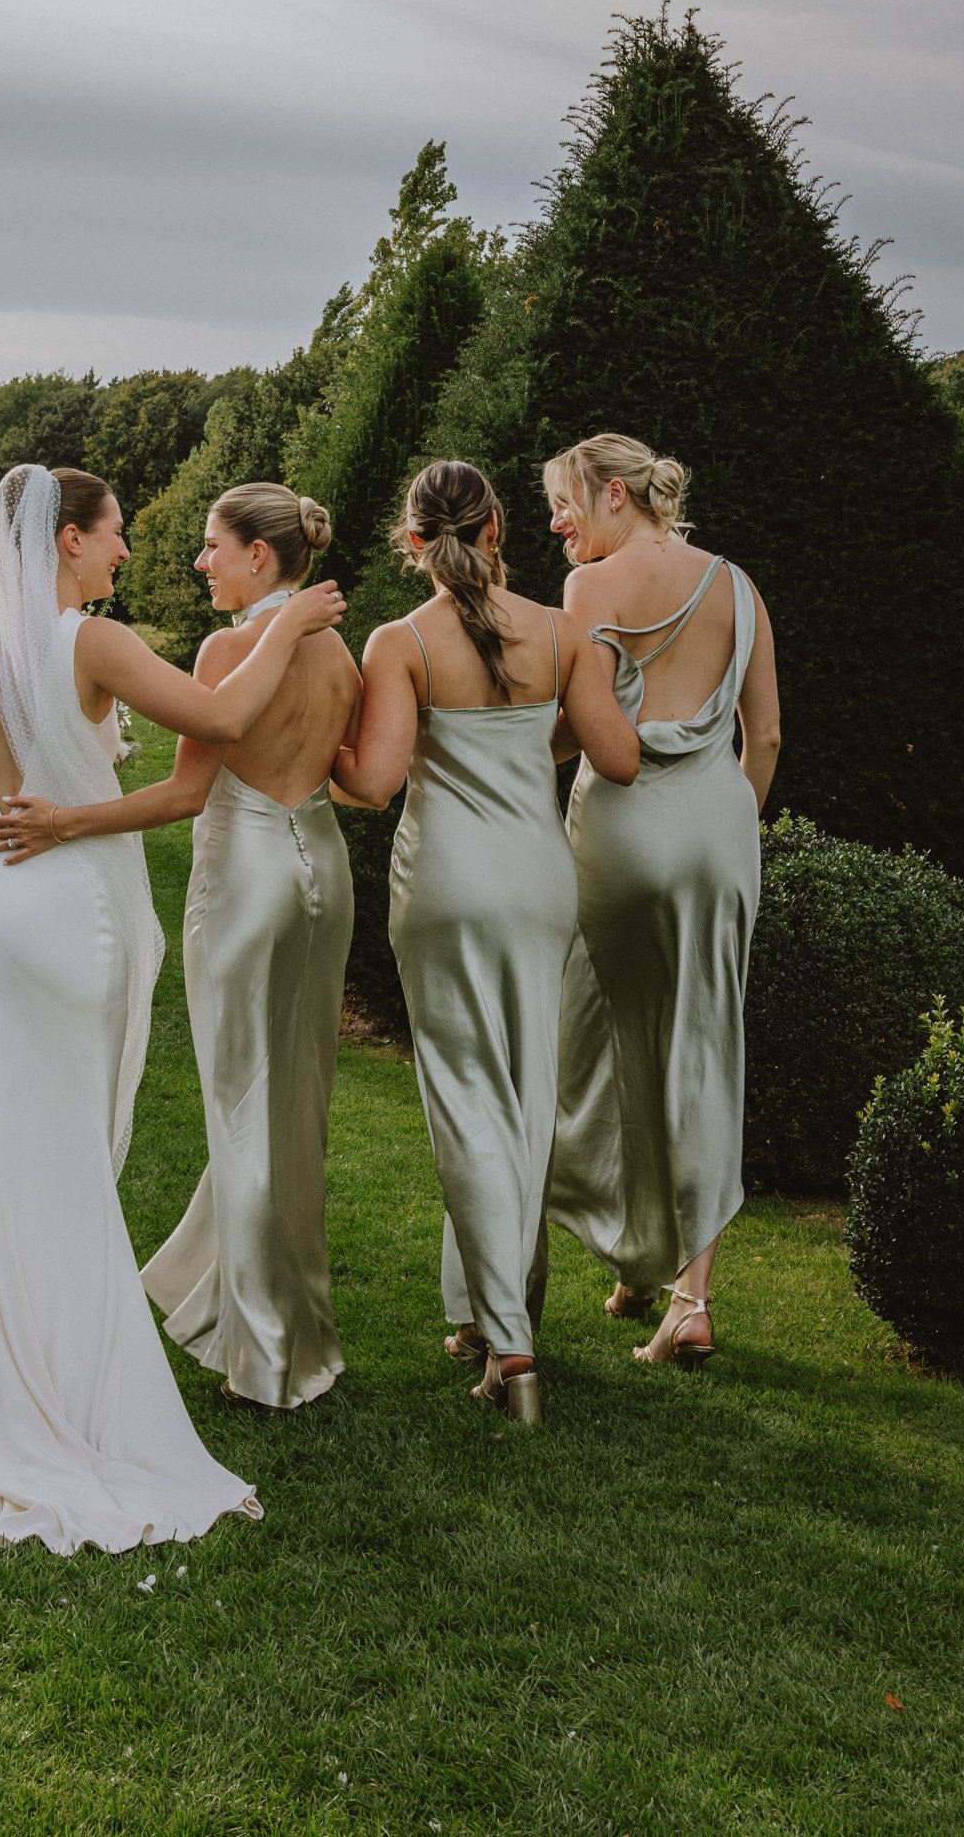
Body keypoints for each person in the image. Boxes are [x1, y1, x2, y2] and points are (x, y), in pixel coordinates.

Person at [0, 464, 347, 1551]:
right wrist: (288, 620)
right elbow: (221, 714)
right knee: (61, 1151)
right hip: (59, 914)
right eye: (115, 531)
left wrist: (11, 804)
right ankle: (58, 1391)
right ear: (67, 537)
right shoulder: (89, 643)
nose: (125, 549)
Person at [0, 481, 358, 1411]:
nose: (200, 562)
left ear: (258, 556)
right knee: (296, 1110)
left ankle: (264, 1361)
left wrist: (67, 820)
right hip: (324, 872)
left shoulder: (229, 650)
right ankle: (299, 1329)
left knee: (241, 1108)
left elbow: (187, 793)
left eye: (211, 546)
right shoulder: (339, 651)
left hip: (246, 881)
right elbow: (365, 779)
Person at [332, 459, 638, 1425]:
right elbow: (617, 755)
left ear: (413, 542)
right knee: (525, 1092)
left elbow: (375, 782)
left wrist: (312, 752)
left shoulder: (400, 642)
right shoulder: (561, 633)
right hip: (539, 882)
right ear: (499, 528)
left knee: (467, 1100)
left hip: (448, 885)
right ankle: (492, 1313)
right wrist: (534, 731)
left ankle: (511, 1344)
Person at [542, 434, 780, 1370]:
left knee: (599, 1036)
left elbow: (584, 727)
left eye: (565, 501)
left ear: (613, 493)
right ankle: (680, 1291)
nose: (556, 522)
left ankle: (638, 1256)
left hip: (623, 832)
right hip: (721, 832)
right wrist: (723, 827)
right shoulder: (738, 586)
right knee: (704, 1046)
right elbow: (765, 736)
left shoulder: (590, 589)